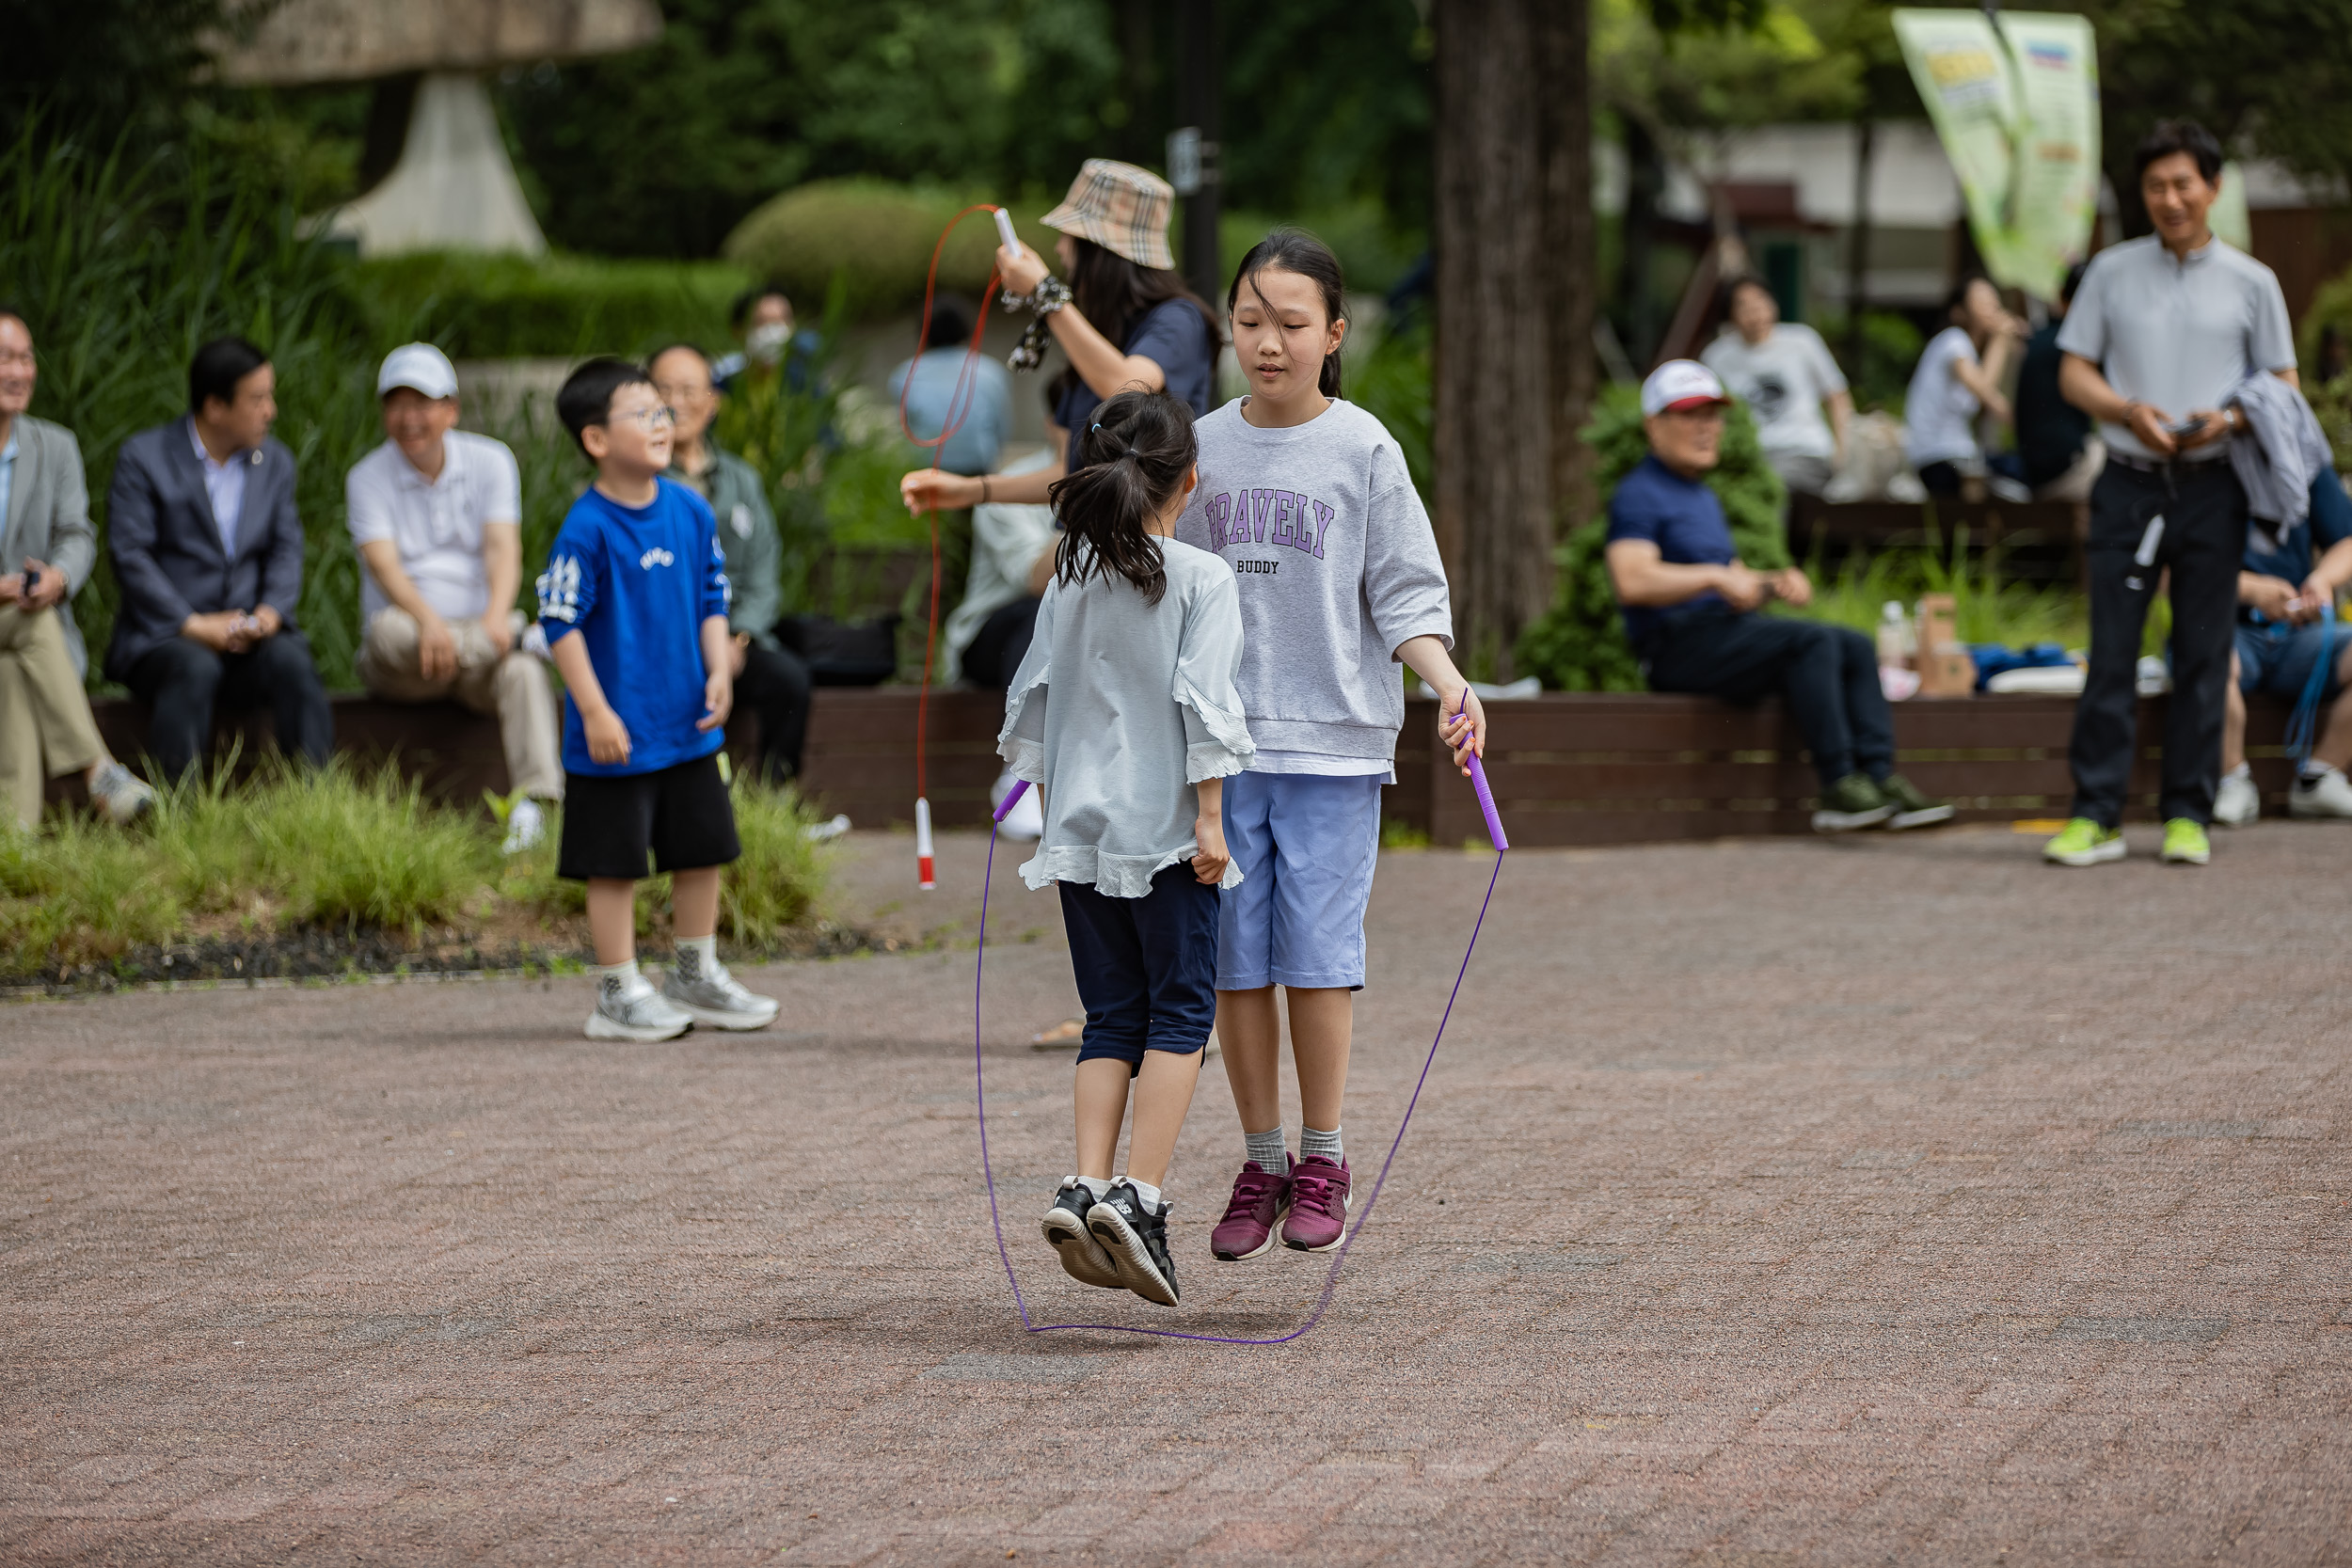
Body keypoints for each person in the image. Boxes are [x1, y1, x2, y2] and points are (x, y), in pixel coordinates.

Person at [1168, 229, 1483, 1264]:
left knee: (1317, 959)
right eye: (1250, 322)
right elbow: (1166, 595)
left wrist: (1445, 683)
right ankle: (1259, 1159)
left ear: (1333, 334)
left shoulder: (1365, 449)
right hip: (1223, 751)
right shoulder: (1200, 448)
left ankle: (1323, 1156)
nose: (1268, 342)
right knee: (1234, 964)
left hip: (1336, 748)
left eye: (1291, 324)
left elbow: (1404, 592)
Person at [1009, 388, 1251, 1307]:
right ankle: (1140, 1198)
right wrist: (1211, 818)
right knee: (1182, 1014)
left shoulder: (1069, 573)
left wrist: (1048, 791)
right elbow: (1206, 708)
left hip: (1079, 828)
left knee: (1110, 1014)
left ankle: (1084, 1183)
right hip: (1164, 833)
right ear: (1188, 479)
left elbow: (1032, 695)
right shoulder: (1202, 578)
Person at [899, 160, 1223, 822]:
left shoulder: (1177, 321)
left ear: (1103, 253)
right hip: (1100, 564)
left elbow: (1129, 390)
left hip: (1166, 566)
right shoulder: (1088, 341)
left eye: (1072, 241)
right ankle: (1040, 790)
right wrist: (973, 490)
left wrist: (1048, 293)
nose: (1062, 251)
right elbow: (1074, 474)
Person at [2042, 119, 2299, 869]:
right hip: (2127, 481)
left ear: (2213, 188)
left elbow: (2282, 385)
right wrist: (2128, 411)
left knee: (2202, 651)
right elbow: (2073, 371)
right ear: (2142, 194)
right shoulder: (2110, 272)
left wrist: (2232, 416)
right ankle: (2095, 814)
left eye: (2184, 183)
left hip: (2214, 483)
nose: (2171, 198)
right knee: (2113, 650)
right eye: (2156, 186)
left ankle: (2189, 812)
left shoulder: (2254, 282)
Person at [1606, 359, 1954, 836]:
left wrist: (1771, 583)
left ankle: (1878, 778)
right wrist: (1715, 578)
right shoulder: (1640, 493)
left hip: (1719, 631)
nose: (1707, 428)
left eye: (1712, 415)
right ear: (1654, 426)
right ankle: (1838, 786)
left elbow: (1727, 584)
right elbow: (1632, 579)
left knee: (1851, 642)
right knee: (1813, 642)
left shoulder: (1700, 494)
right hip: (1674, 646)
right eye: (1690, 416)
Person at [537, 357, 779, 1043]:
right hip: (617, 735)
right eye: (642, 413)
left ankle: (693, 972)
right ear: (595, 440)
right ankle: (616, 990)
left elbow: (711, 598)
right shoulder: (586, 528)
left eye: (662, 412)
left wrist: (720, 671)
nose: (662, 422)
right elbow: (560, 622)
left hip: (688, 726)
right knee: (614, 863)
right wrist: (594, 710)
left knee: (701, 848)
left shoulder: (690, 508)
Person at [347, 342, 561, 853]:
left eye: (421, 403)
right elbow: (384, 566)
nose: (408, 417)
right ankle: (520, 637)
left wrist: (490, 616)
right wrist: (431, 624)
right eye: (396, 404)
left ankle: (539, 808)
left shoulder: (491, 460)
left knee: (524, 675)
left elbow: (502, 547)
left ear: (451, 409)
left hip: (475, 657)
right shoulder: (367, 476)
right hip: (406, 655)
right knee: (387, 632)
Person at [104, 336, 333, 782]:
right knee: (194, 665)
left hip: (248, 632)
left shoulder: (275, 462)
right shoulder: (144, 458)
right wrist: (192, 625)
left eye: (270, 396)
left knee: (293, 660)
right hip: (168, 636)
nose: (271, 411)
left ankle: (320, 802)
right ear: (214, 407)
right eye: (257, 399)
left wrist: (269, 615)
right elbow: (131, 556)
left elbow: (287, 547)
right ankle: (179, 817)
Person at [0, 309, 153, 830]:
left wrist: (58, 578)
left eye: (25, 358)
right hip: (25, 621)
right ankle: (99, 770)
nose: (18, 372)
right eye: (4, 359)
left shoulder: (55, 445)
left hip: (25, 634)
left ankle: (14, 845)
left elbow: (77, 534)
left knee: (12, 666)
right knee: (30, 624)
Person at [648, 342, 810, 785]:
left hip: (736, 637)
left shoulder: (742, 479)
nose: (676, 401)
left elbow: (763, 569)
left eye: (688, 389)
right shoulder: (639, 481)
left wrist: (738, 640)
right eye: (663, 389)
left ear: (712, 402)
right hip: (665, 640)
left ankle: (774, 806)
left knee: (789, 681)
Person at [2215, 467, 2352, 825]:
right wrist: (2250, 590)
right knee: (2205, 653)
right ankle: (2231, 780)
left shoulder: (2303, 461)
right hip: (2224, 629)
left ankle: (2318, 779)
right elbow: (2171, 571)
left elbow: (2347, 541)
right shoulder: (2201, 463)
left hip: (2298, 637)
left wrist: (2321, 581)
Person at [1700, 275, 1852, 501]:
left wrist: (1844, 453)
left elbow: (1837, 396)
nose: (1755, 311)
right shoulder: (1717, 356)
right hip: (1747, 456)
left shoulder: (1802, 341)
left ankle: (1767, 538)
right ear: (1730, 315)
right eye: (1743, 305)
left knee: (1769, 484)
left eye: (1760, 301)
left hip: (1804, 452)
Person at [1906, 275, 2027, 497]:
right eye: (1982, 302)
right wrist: (2000, 341)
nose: (1992, 308)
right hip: (1940, 457)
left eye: (1994, 301)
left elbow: (1996, 403)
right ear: (1959, 312)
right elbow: (1983, 389)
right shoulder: (1954, 340)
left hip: (1951, 456)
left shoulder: (1968, 352)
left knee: (2017, 471)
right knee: (2018, 480)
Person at [887, 295, 1010, 479]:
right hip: (976, 470)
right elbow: (1001, 428)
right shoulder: (991, 371)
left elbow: (905, 429)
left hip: (925, 470)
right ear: (966, 328)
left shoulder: (905, 375)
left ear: (923, 331)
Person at [2014, 262, 2105, 502]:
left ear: (2061, 298)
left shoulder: (2043, 338)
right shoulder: (2075, 346)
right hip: (2065, 469)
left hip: (2034, 471)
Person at [711, 287, 821, 395]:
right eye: (762, 322)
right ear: (737, 331)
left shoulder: (806, 389)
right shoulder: (723, 391)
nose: (773, 331)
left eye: (783, 320)